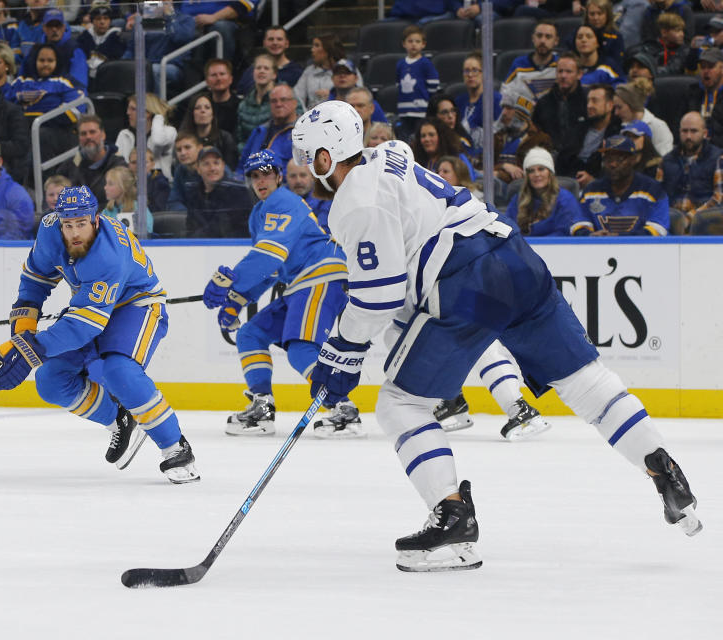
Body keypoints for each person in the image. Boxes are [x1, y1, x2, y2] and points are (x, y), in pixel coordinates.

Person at [290, 101, 702, 573]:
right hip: (513, 255)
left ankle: (453, 522)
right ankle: (660, 464)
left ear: (326, 158)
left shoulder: (353, 201)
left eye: (307, 157)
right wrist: (353, 345)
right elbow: (402, 271)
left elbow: (379, 295)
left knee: (400, 404)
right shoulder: (392, 152)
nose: (304, 167)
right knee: (584, 381)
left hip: (466, 279)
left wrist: (339, 352)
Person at [0, 185, 201, 484]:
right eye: (68, 225)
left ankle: (177, 449)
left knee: (118, 371)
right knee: (49, 381)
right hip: (90, 308)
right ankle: (119, 421)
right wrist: (22, 334)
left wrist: (28, 350)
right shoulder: (49, 231)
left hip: (136, 306)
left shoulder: (108, 254)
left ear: (95, 220)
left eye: (81, 224)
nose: (74, 233)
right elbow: (34, 282)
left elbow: (85, 325)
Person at [204, 150, 359, 438]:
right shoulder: (260, 213)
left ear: (278, 176)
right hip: (301, 282)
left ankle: (343, 408)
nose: (261, 180)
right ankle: (262, 406)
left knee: (301, 349)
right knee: (251, 334)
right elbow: (272, 270)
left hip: (321, 276)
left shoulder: (282, 202)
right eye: (254, 176)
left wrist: (231, 285)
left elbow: (269, 257)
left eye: (266, 174)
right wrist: (236, 301)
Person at [577, 134, 670, 235]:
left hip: (642, 250)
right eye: (608, 159)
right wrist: (589, 236)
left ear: (633, 159)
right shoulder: (591, 191)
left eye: (619, 159)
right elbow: (579, 224)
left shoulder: (652, 190)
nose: (613, 164)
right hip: (598, 249)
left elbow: (658, 229)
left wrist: (619, 239)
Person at [11, 43, 86, 161]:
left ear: (57, 61)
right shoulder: (20, 82)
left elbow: (74, 111)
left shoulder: (67, 82)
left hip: (57, 132)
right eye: (41, 60)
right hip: (24, 130)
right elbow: (7, 107)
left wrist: (38, 119)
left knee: (41, 135)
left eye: (50, 60)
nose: (45, 64)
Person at [657, 112, 721, 220]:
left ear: (705, 133)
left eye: (694, 131)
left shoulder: (718, 158)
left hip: (705, 222)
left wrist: (691, 218)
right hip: (671, 221)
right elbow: (657, 196)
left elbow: (719, 198)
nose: (688, 136)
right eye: (684, 131)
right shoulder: (666, 160)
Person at [506, 147, 583, 236]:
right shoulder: (518, 200)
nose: (537, 174)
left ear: (550, 172)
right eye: (531, 171)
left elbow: (564, 232)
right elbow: (508, 230)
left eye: (541, 169)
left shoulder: (565, 198)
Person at [533, 53, 587, 178]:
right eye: (560, 71)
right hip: (549, 165)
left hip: (580, 166)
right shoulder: (543, 103)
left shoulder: (588, 102)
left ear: (579, 74)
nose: (563, 76)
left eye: (569, 72)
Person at [185, 145, 252, 237]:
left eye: (216, 163)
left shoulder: (238, 191)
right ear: (198, 169)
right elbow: (190, 229)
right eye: (206, 164)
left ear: (223, 166)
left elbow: (222, 229)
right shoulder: (194, 195)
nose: (212, 168)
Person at [237, 83, 299, 178]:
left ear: (295, 103)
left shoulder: (303, 133)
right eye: (274, 101)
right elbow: (242, 165)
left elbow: (301, 172)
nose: (278, 104)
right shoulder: (259, 131)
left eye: (283, 100)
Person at [114, 93, 177, 180]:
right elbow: (119, 165)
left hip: (160, 186)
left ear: (147, 113)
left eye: (133, 109)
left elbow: (158, 140)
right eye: (128, 109)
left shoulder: (169, 131)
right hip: (130, 186)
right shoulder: (124, 134)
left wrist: (158, 116)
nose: (127, 112)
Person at [395, 25, 439, 142]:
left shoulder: (425, 63)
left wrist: (424, 98)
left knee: (418, 136)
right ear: (404, 43)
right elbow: (398, 84)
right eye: (410, 41)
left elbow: (433, 83)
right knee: (405, 138)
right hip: (404, 109)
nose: (413, 44)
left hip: (420, 109)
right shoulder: (400, 64)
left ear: (423, 44)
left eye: (417, 41)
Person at [574, 84, 622, 187]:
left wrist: (593, 181)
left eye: (595, 101)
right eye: (588, 101)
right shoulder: (578, 128)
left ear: (610, 105)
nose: (589, 105)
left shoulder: (618, 132)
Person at [502, 20, 559, 102]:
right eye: (539, 36)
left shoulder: (560, 65)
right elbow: (505, 95)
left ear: (556, 41)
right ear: (533, 38)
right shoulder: (519, 64)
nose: (543, 41)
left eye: (548, 37)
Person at [235, 25, 302, 95]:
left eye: (279, 39)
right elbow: (241, 94)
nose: (275, 43)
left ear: (287, 44)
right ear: (264, 43)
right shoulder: (252, 71)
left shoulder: (297, 72)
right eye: (271, 39)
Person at [455, 51, 501, 152]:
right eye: (466, 71)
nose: (470, 75)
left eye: (475, 70)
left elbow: (498, 134)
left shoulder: (495, 99)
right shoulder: (459, 101)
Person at [180, 92, 237, 171]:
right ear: (192, 113)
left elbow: (231, 169)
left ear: (213, 114)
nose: (202, 111)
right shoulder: (184, 140)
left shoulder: (225, 138)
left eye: (207, 107)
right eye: (197, 108)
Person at [612, 82, 673, 156]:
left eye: (619, 107)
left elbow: (664, 157)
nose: (616, 113)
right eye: (615, 108)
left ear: (632, 105)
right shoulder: (619, 126)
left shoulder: (658, 126)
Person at [236, 53, 275, 156]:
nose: (261, 71)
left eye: (266, 68)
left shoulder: (284, 99)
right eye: (258, 68)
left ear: (274, 74)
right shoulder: (243, 105)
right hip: (249, 158)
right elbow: (240, 138)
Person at [77, 0, 125, 78]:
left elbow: (117, 62)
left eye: (105, 18)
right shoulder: (84, 36)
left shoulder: (117, 37)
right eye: (98, 19)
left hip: (109, 77)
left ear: (110, 21)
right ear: (92, 21)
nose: (102, 22)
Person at [294, 34, 342, 110]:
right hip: (311, 117)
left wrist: (333, 97)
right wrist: (304, 115)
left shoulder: (347, 70)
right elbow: (297, 96)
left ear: (329, 48)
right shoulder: (309, 71)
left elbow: (357, 96)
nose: (312, 50)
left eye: (317, 46)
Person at [101, 165, 153, 234]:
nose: (105, 187)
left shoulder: (139, 209)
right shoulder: (107, 210)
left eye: (110, 184)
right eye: (106, 183)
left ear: (123, 187)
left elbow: (147, 231)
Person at [285, 157, 331, 232]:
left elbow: (320, 232)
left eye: (303, 175)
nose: (298, 181)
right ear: (286, 177)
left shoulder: (325, 199)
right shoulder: (279, 198)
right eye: (293, 176)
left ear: (313, 176)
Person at [128, 148, 170, 214]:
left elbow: (159, 210)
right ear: (129, 165)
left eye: (144, 162)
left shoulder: (160, 183)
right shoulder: (125, 183)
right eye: (134, 162)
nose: (138, 166)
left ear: (152, 164)